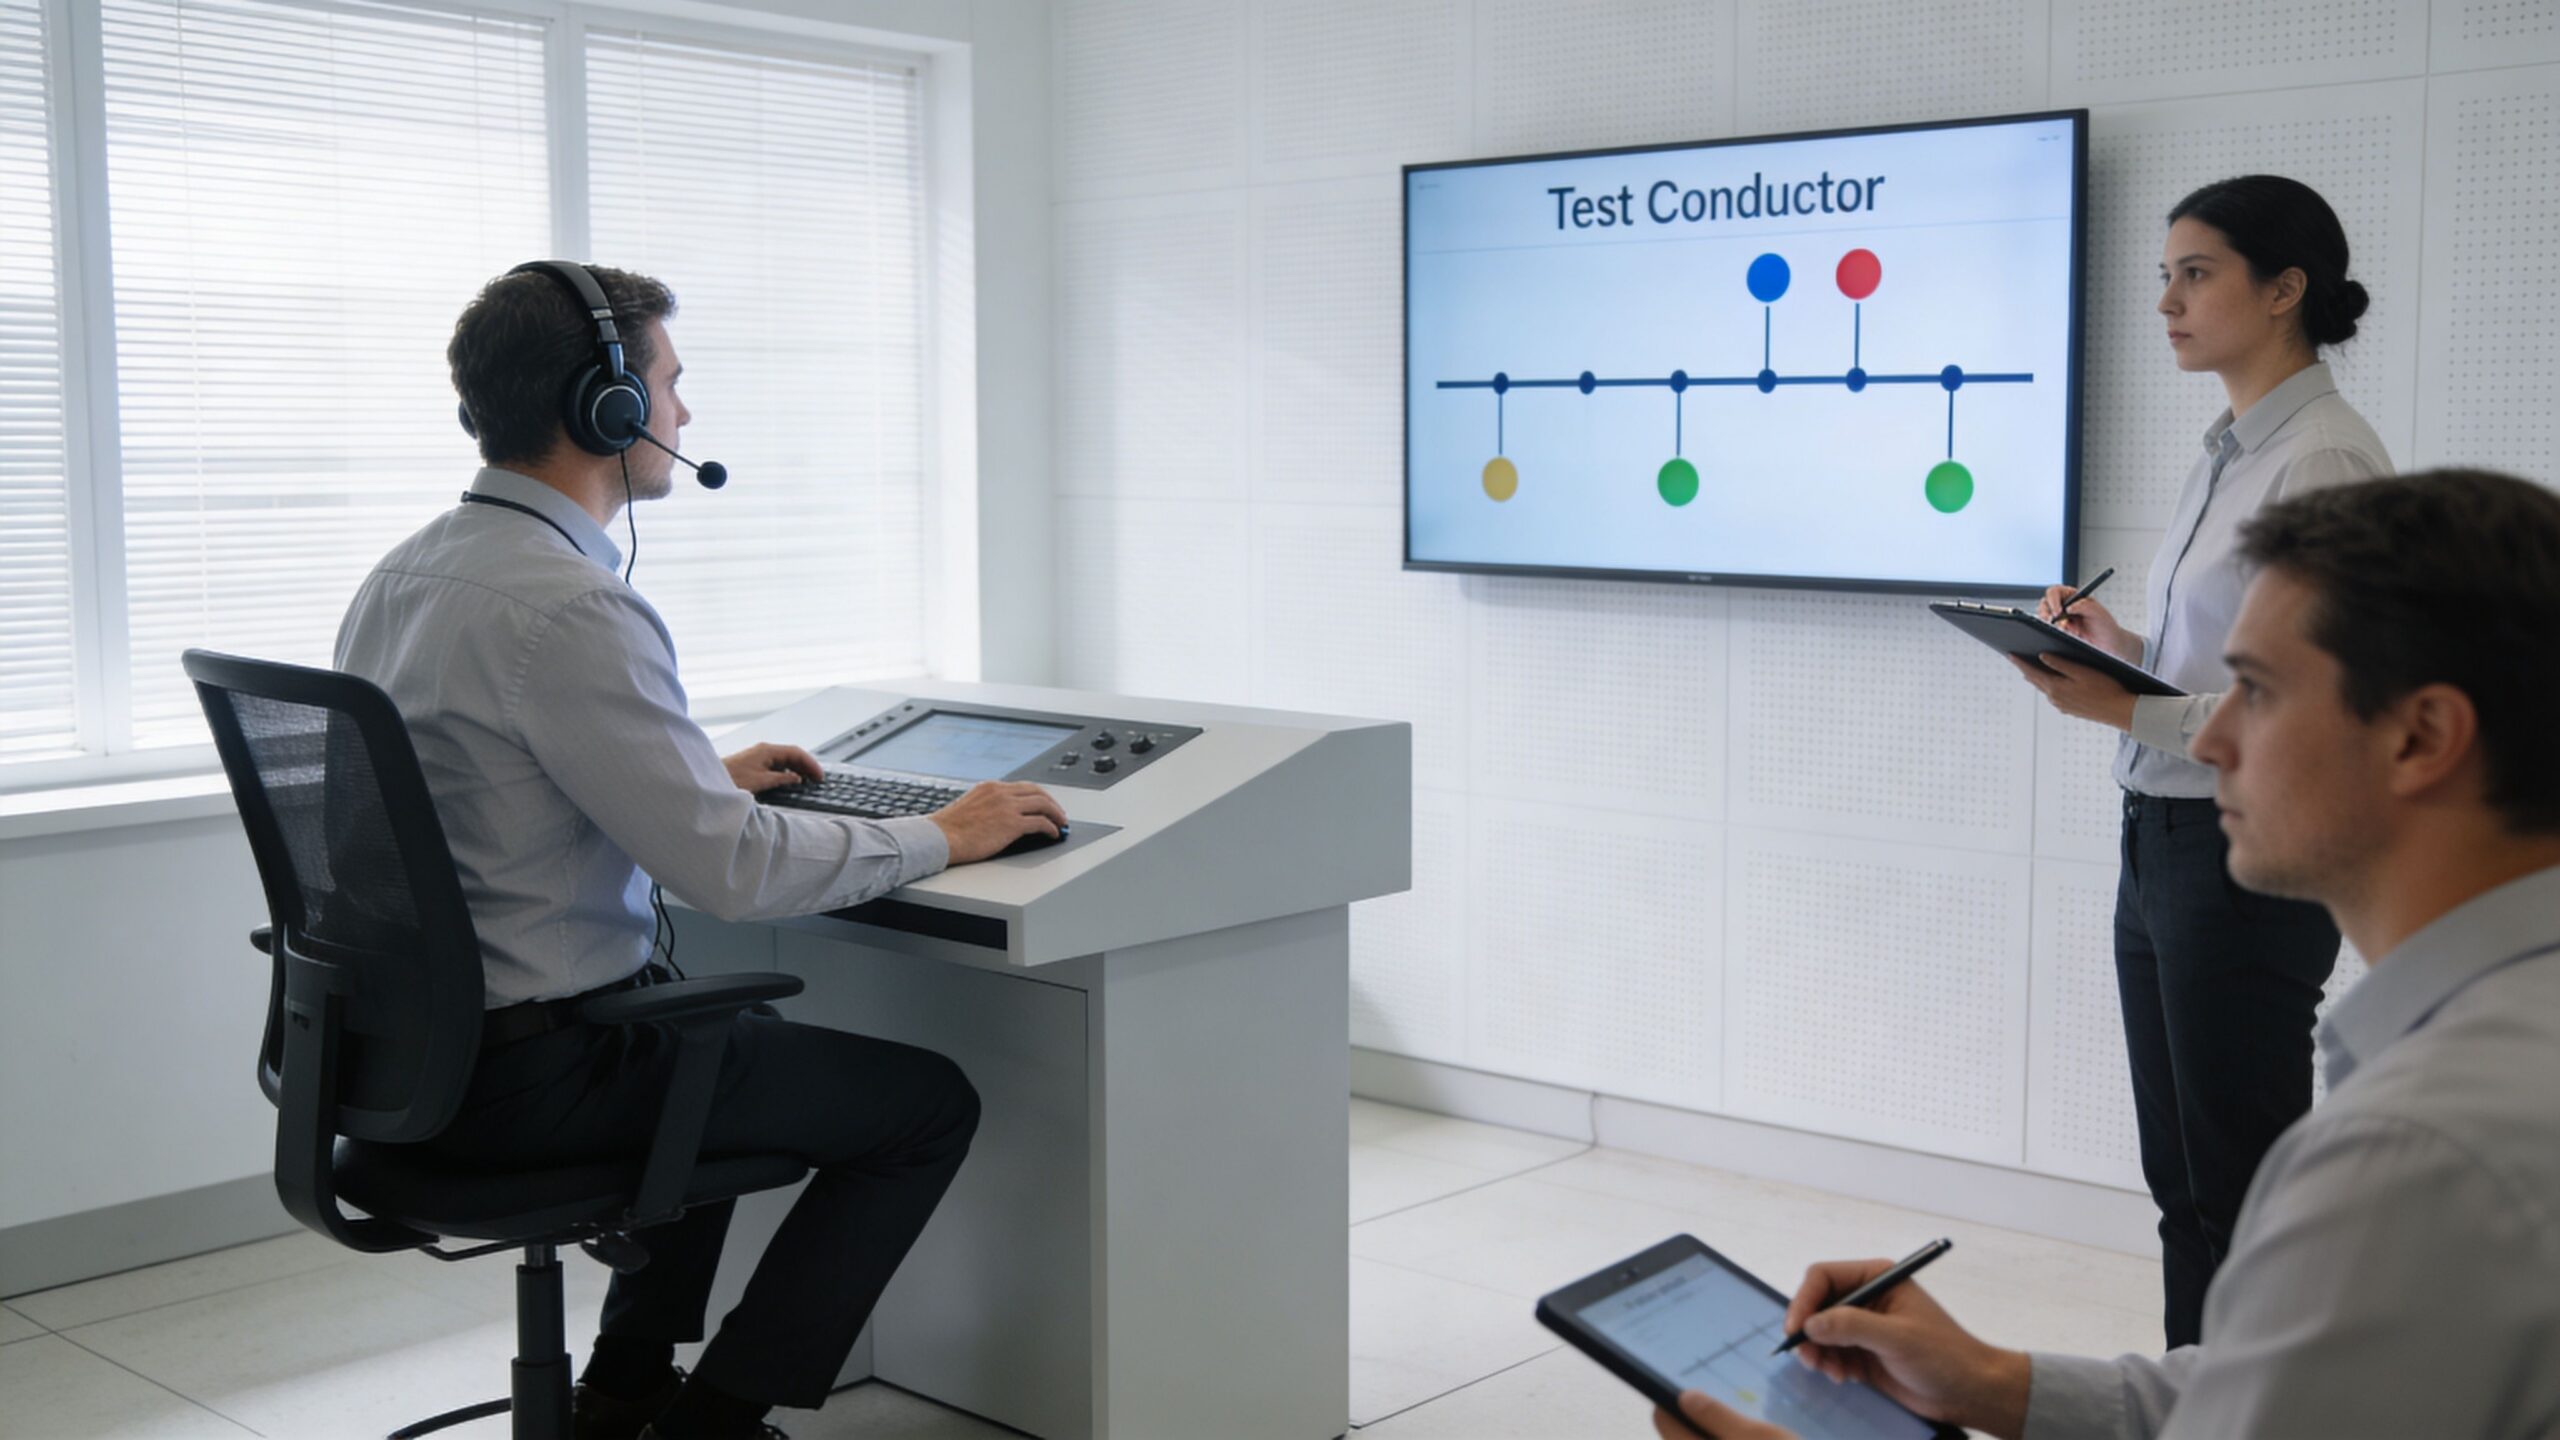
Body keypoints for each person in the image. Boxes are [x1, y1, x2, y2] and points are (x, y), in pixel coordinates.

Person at [1655, 469, 2560, 1440]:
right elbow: (2287, 1388)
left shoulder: (2413, 1154)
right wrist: (1994, 1382)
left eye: (2252, 689)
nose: (2209, 735)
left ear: (2420, 736)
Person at [334, 261, 1067, 1440]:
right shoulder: (570, 605)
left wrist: (682, 785)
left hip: (405, 1062)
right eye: (669, 386)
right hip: (529, 1078)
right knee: (925, 1105)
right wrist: (945, 830)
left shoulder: (412, 571)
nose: (680, 415)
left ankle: (623, 1387)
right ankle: (718, 1423)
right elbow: (733, 873)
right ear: (605, 409)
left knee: (720, 1034)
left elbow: (461, 795)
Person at [2009, 175, 2391, 1345]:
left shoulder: (2319, 463)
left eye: (2194, 273)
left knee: (2242, 1195)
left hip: (2242, 852)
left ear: (2284, 292)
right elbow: (2222, 664)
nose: (2165, 301)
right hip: (2162, 839)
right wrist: (2119, 652)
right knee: (2185, 1187)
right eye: (2162, 275)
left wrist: (2123, 715)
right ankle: (2198, 1403)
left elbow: (2320, 712)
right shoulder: (2226, 452)